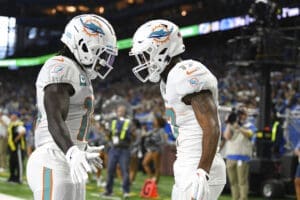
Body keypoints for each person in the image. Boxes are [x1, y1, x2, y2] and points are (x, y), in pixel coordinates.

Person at [129, 19, 226, 200]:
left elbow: (212, 127)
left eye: (146, 55)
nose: (143, 61)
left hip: (199, 164)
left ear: (161, 49)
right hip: (186, 163)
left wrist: (202, 171)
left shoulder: (186, 72)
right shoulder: (169, 80)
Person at [26, 14, 118, 200]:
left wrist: (79, 147)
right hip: (53, 158)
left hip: (68, 160)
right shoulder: (61, 65)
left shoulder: (76, 71)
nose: (103, 62)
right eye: (101, 53)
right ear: (84, 46)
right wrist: (72, 150)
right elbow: (54, 117)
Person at [223, 107, 256, 200]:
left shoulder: (250, 125)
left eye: (242, 113)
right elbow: (226, 136)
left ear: (246, 115)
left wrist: (239, 128)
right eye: (239, 113)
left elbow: (249, 134)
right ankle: (235, 198)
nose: (241, 116)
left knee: (242, 181)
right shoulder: (232, 125)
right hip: (230, 156)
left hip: (242, 157)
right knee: (233, 182)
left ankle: (243, 198)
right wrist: (229, 123)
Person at [104, 105, 132, 198]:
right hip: (114, 149)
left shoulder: (129, 122)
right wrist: (107, 133)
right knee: (110, 170)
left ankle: (126, 191)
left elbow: (133, 135)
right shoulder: (112, 122)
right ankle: (108, 190)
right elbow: (109, 135)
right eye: (119, 111)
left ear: (125, 112)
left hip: (124, 149)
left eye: (122, 111)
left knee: (125, 170)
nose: (121, 112)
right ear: (116, 112)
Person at [142, 115, 166, 183]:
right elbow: (145, 135)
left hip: (157, 150)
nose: (153, 121)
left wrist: (155, 142)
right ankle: (151, 178)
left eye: (155, 120)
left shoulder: (161, 130)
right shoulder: (153, 130)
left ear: (159, 122)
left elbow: (163, 141)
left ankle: (155, 183)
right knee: (144, 163)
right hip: (150, 149)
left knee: (156, 167)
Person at [7, 112, 26, 183]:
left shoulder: (19, 123)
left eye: (12, 115)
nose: (11, 116)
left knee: (19, 163)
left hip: (18, 146)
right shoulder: (12, 124)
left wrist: (16, 139)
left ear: (15, 116)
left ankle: (19, 178)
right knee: (12, 162)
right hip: (12, 147)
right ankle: (12, 177)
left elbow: (23, 132)